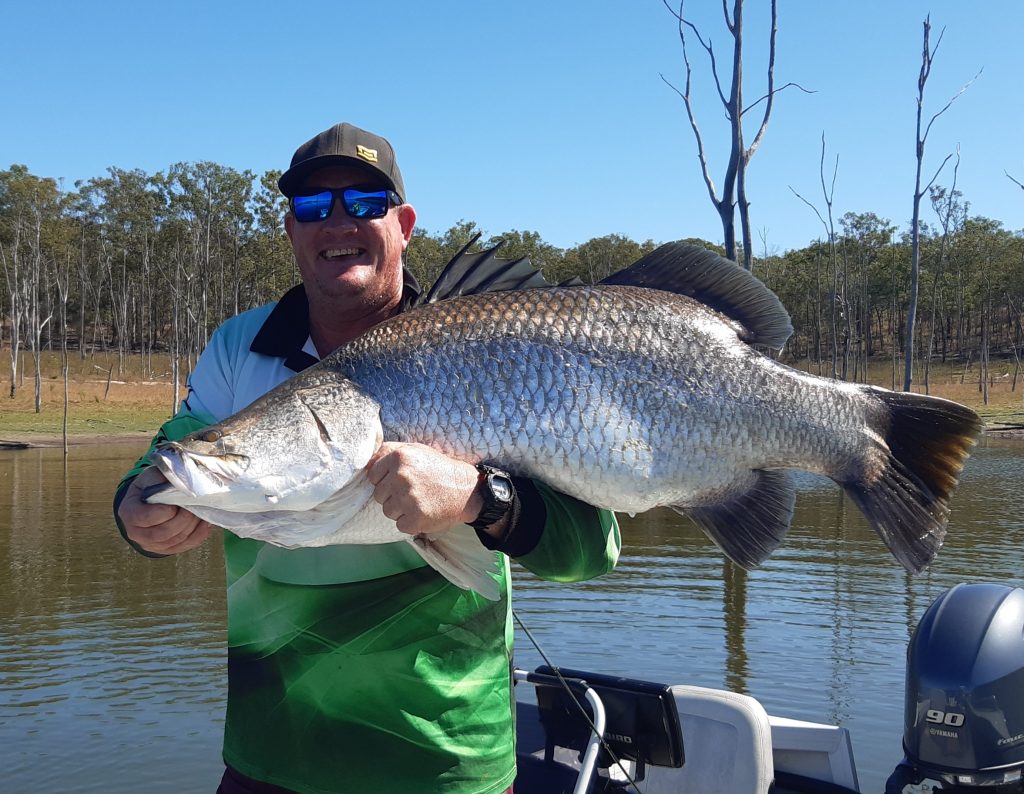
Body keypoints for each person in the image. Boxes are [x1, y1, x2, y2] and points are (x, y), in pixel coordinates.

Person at [114, 122, 620, 794]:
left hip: (446, 763)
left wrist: (480, 499)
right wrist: (136, 510)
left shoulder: (498, 345)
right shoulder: (239, 346)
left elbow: (592, 553)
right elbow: (173, 455)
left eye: (364, 201)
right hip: (271, 755)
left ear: (403, 225)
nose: (337, 221)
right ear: (291, 230)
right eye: (312, 205)